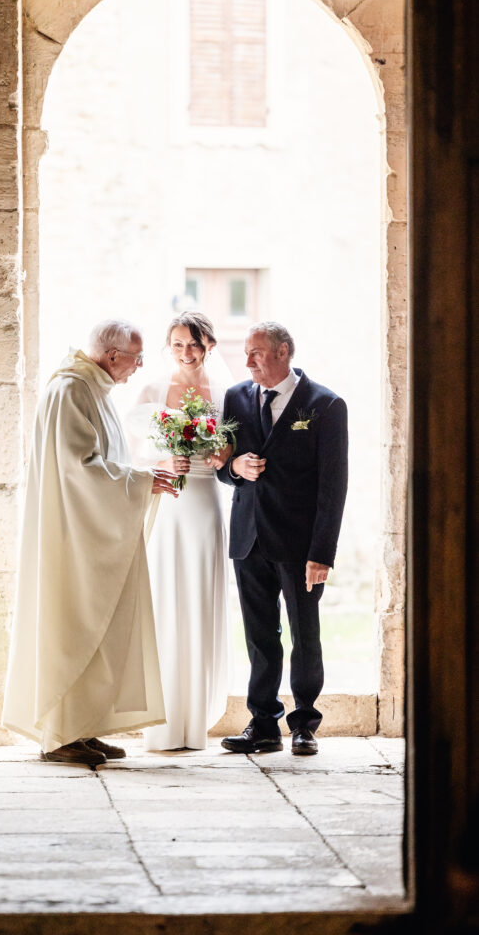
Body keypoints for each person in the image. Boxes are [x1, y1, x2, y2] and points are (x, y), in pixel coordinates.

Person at [1, 319, 178, 767]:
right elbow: (79, 470)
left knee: (98, 630)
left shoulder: (92, 389)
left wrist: (140, 479)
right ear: (113, 355)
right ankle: (60, 734)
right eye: (136, 358)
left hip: (90, 531)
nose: (138, 368)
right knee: (74, 626)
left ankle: (84, 728)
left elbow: (105, 460)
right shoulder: (71, 391)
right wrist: (140, 483)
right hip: (72, 536)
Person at [217, 322, 348, 756]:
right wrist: (236, 467)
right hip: (249, 539)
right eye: (246, 353)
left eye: (257, 352)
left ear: (284, 351)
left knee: (304, 634)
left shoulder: (326, 405)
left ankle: (305, 724)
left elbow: (334, 486)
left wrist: (321, 553)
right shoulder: (236, 397)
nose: (248, 361)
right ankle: (263, 724)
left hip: (299, 544)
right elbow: (223, 464)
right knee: (260, 636)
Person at [129, 311, 231, 751]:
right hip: (169, 501)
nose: (186, 352)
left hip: (206, 502)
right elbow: (129, 452)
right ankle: (163, 721)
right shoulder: (151, 390)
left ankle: (196, 721)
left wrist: (223, 455)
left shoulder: (229, 392)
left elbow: (235, 446)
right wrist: (162, 461)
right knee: (167, 600)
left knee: (201, 601)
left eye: (194, 343)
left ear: (209, 344)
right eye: (177, 344)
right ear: (167, 347)